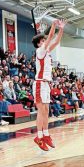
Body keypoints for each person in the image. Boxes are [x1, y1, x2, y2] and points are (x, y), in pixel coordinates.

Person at [32, 19, 66, 151]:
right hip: (40, 83)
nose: (45, 42)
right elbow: (51, 37)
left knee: (46, 111)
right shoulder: (40, 51)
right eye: (43, 41)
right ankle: (38, 137)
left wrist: (61, 28)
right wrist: (53, 25)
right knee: (41, 111)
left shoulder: (46, 52)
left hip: (46, 84)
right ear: (39, 43)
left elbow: (56, 41)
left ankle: (45, 135)